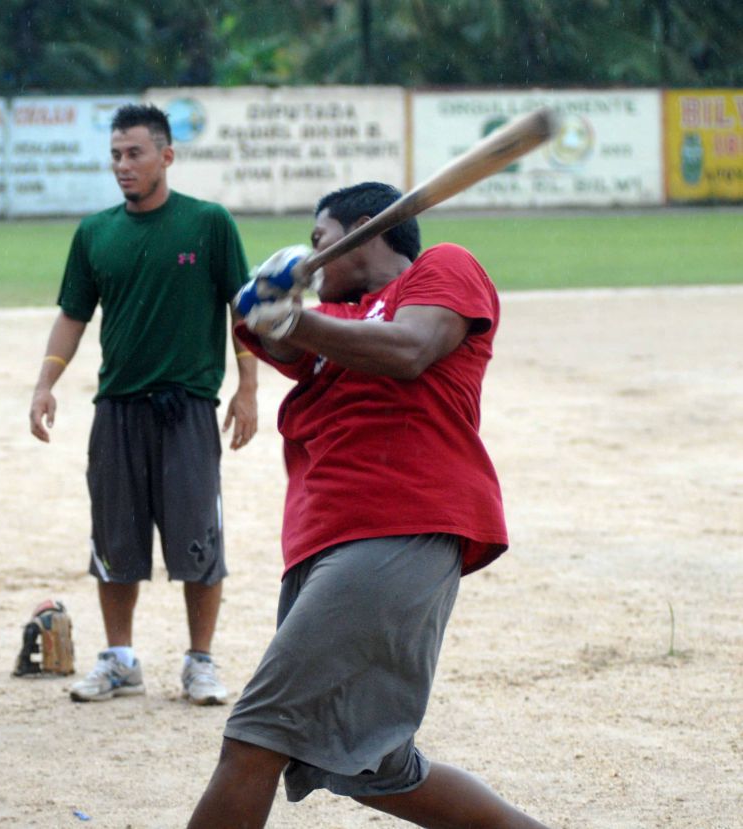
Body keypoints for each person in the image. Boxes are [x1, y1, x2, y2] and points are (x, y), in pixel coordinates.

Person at [187, 182, 550, 827]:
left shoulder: (441, 269)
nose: (312, 254)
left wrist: (288, 313)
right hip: (323, 539)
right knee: (377, 771)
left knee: (254, 737)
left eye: (320, 239)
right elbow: (273, 336)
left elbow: (410, 351)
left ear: (366, 230)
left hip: (401, 525)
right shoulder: (343, 326)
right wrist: (267, 303)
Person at [28, 103, 258, 706]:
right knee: (115, 539)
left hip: (187, 409)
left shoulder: (208, 224)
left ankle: (200, 662)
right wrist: (45, 383)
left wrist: (248, 387)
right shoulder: (95, 233)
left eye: (134, 153)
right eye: (115, 155)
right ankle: (120, 659)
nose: (122, 166)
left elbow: (244, 310)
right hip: (117, 409)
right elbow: (73, 316)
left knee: (198, 542)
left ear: (166, 156)